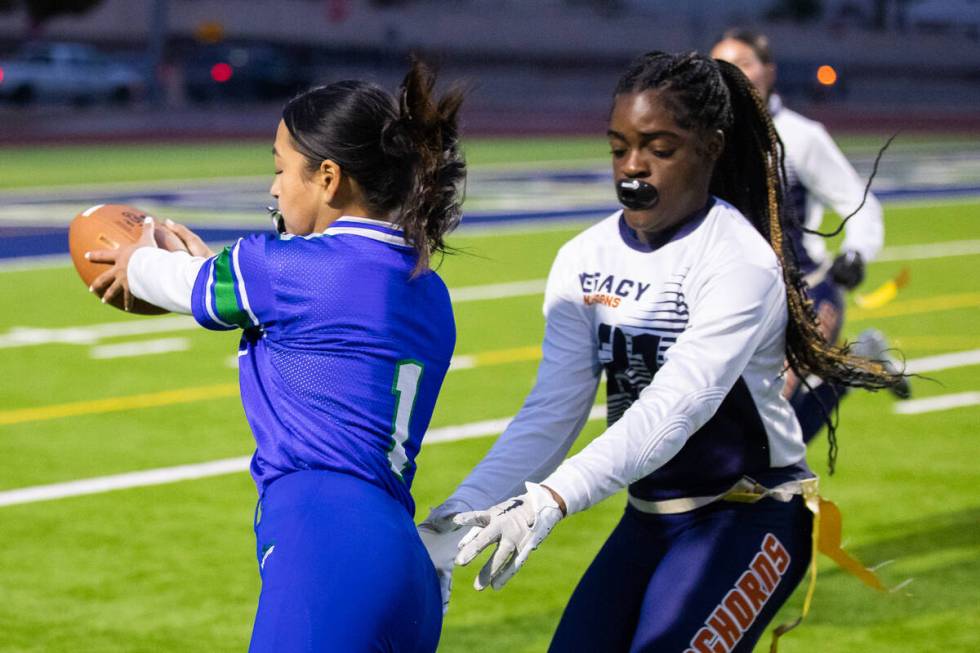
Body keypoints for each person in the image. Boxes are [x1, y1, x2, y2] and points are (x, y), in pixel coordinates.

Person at [418, 51, 901, 653]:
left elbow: (676, 408)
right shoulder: (582, 258)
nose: (632, 169)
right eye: (619, 147)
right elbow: (551, 412)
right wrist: (461, 512)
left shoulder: (738, 260)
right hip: (650, 519)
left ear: (712, 146)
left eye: (659, 148)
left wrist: (549, 500)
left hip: (750, 520)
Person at [87, 60, 465, 652]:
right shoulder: (427, 287)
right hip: (404, 560)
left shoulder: (283, 269)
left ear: (329, 178)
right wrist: (210, 271)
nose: (272, 187)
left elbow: (153, 272)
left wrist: (138, 250)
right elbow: (310, 322)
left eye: (280, 167)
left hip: (324, 541)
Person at [711, 28, 910, 444]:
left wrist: (857, 252)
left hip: (805, 292)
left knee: (771, 430)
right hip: (732, 298)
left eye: (743, 63)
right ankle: (857, 365)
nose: (731, 73)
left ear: (769, 71)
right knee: (739, 425)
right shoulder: (702, 138)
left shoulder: (802, 136)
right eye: (720, 64)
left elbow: (857, 200)